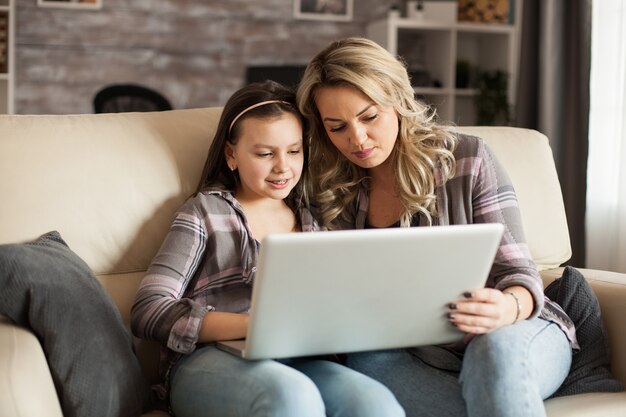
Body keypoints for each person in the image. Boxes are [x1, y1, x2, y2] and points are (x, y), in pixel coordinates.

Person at [296, 37, 578, 417]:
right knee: (364, 366)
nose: (357, 139)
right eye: (337, 127)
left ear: (397, 100)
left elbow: (519, 273)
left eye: (369, 117)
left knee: (491, 353)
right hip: (404, 351)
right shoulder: (326, 188)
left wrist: (507, 308)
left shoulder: (467, 157)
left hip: (510, 331)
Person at [130, 80, 405, 417]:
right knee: (292, 397)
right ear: (232, 154)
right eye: (264, 153)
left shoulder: (318, 218)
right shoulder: (205, 213)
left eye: (294, 151)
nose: (283, 167)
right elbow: (148, 310)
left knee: (375, 403)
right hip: (211, 360)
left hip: (302, 359)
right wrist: (257, 325)